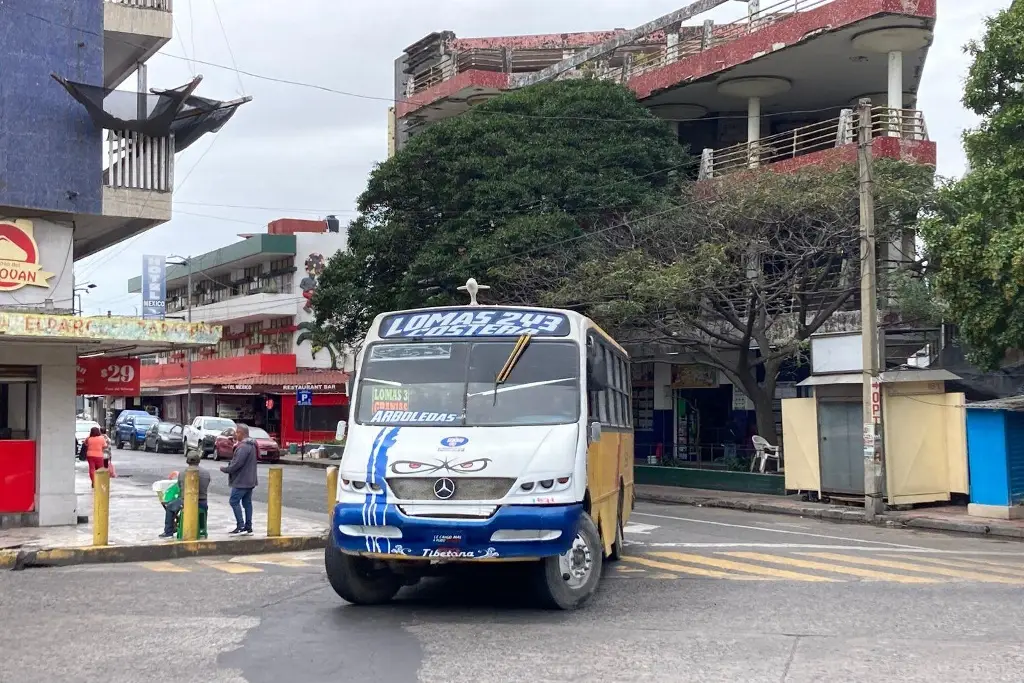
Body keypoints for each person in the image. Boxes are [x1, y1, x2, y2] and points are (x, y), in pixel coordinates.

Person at [160, 452, 211, 538]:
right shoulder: (206, 473)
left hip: (186, 501)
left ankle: (168, 532)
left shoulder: (183, 473)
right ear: (199, 460)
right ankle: (202, 530)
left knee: (169, 507)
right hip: (203, 502)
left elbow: (180, 487)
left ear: (187, 461)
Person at [221, 422, 258, 535]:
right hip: (250, 480)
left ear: (241, 433)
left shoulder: (243, 447)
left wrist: (226, 469)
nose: (235, 434)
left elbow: (237, 464)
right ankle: (248, 525)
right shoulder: (252, 445)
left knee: (234, 501)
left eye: (237, 432)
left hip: (241, 481)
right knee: (247, 503)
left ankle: (240, 525)